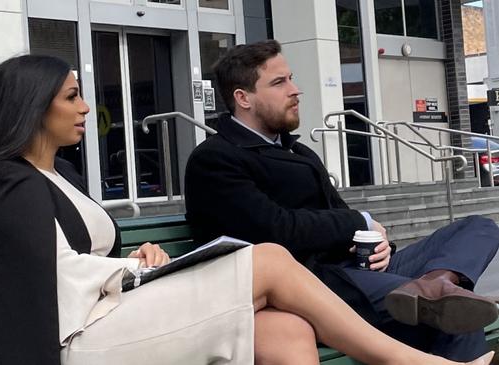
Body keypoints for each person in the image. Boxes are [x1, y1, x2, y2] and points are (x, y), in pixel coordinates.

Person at [0, 54, 494, 365]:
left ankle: (436, 292)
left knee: (284, 334)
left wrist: (135, 258)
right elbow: (39, 286)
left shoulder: (57, 176)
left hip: (112, 311)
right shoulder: (4, 184)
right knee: (272, 259)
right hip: (78, 339)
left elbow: (72, 258)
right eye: (72, 95)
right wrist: (125, 271)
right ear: (30, 104)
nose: (86, 106)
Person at [184, 39, 499, 362]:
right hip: (317, 286)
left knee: (480, 227)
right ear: (242, 97)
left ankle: (435, 283)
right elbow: (275, 230)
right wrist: (359, 223)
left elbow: (339, 215)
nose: (295, 90)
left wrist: (375, 243)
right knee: (459, 318)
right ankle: (435, 293)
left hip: (361, 269)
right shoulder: (216, 159)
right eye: (280, 82)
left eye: (291, 78)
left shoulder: (299, 151)